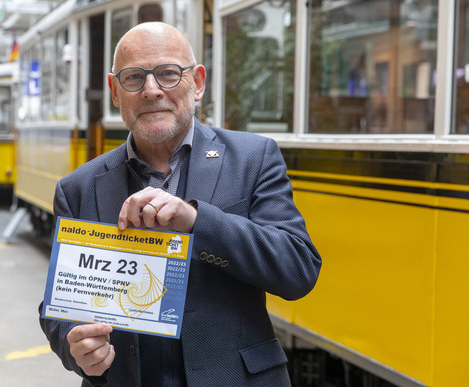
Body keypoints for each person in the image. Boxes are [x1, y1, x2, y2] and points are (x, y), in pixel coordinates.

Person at [40, 22, 321, 386]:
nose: (152, 90)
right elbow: (57, 306)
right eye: (133, 78)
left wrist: (196, 221)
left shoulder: (254, 158)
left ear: (198, 83)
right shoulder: (78, 188)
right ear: (114, 91)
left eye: (168, 74)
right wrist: (73, 344)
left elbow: (298, 270)